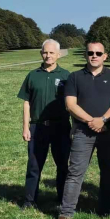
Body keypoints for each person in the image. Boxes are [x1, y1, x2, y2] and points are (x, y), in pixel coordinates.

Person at [56, 43, 110, 219]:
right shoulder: (75, 77)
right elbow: (70, 105)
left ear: (105, 56)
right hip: (82, 132)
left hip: (108, 131)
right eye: (90, 53)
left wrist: (102, 119)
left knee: (108, 172)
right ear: (86, 55)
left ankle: (105, 208)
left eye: (98, 53)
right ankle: (66, 213)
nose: (94, 56)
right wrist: (91, 121)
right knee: (75, 172)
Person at [17, 39, 70, 209]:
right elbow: (26, 103)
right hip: (37, 126)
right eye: (45, 52)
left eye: (52, 52)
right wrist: (26, 127)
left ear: (58, 54)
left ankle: (63, 198)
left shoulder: (67, 76)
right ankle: (30, 200)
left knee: (62, 164)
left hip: (61, 127)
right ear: (41, 53)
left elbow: (73, 103)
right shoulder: (32, 75)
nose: (48, 56)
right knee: (34, 165)